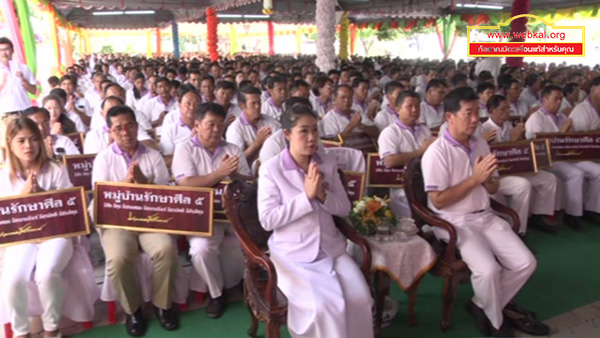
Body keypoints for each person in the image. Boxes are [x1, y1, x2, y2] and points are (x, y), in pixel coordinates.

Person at [422, 87, 547, 337]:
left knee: (526, 263)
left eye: (476, 112)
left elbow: (494, 186)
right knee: (488, 270)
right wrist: (474, 179)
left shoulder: (480, 143)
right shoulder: (436, 153)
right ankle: (496, 322)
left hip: (485, 215)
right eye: (467, 113)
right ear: (450, 117)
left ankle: (481, 305)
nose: (474, 119)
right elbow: (439, 201)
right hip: (455, 221)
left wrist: (488, 179)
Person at [257, 104, 374, 338]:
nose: (311, 138)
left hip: (331, 248)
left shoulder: (327, 163)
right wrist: (306, 198)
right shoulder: (272, 169)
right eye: (303, 131)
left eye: (315, 131)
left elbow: (343, 209)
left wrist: (322, 195)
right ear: (288, 134)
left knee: (360, 298)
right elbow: (268, 220)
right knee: (325, 307)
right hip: (294, 254)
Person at [92, 105, 178, 336]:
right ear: (110, 132)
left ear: (137, 127)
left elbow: (165, 196)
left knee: (166, 249)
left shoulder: (153, 155)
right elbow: (102, 199)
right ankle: (133, 311)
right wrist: (126, 182)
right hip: (118, 223)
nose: (125, 132)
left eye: (129, 125)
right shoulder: (103, 159)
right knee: (118, 259)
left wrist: (144, 182)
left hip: (150, 219)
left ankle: (163, 306)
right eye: (118, 128)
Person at [172, 103, 251, 318]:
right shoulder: (184, 149)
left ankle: (243, 284)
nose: (216, 129)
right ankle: (217, 294)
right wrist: (220, 173)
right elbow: (186, 184)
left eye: (220, 124)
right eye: (210, 124)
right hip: (202, 218)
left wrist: (235, 176)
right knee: (201, 249)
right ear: (197, 125)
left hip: (233, 215)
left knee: (249, 242)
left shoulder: (232, 149)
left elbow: (248, 182)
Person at [0, 117, 74, 338]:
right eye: (21, 140)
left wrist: (43, 196)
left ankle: (52, 329)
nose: (28, 146)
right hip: (22, 238)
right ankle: (21, 332)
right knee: (13, 278)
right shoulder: (4, 177)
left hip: (56, 234)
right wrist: (23, 197)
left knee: (47, 273)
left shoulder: (56, 169)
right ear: (10, 144)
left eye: (33, 139)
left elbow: (71, 209)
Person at [525, 85, 600, 229]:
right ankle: (573, 214)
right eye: (555, 99)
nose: (559, 102)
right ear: (545, 100)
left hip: (566, 156)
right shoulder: (536, 119)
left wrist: (569, 137)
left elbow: (569, 141)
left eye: (560, 99)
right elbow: (539, 148)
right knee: (576, 173)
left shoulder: (563, 117)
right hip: (548, 160)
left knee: (597, 172)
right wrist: (561, 133)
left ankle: (593, 209)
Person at [482, 95, 559, 234]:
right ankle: (518, 229)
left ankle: (539, 216)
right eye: (502, 109)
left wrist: (520, 139)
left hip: (515, 168)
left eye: (508, 108)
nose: (507, 112)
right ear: (492, 111)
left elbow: (520, 151)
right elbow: (491, 155)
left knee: (548, 179)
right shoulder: (484, 130)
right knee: (523, 185)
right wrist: (511, 141)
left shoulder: (509, 125)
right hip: (498, 175)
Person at [378, 90, 436, 217]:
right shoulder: (390, 132)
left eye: (417, 106)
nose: (414, 110)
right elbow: (390, 160)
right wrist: (420, 151)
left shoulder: (424, 129)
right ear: (398, 109)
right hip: (402, 187)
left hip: (426, 181)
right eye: (409, 106)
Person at [226, 86, 281, 164]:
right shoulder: (235, 129)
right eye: (253, 103)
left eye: (259, 102)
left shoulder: (270, 121)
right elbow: (236, 160)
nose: (257, 106)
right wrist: (258, 142)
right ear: (242, 105)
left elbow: (281, 145)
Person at [159, 85, 200, 165]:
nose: (192, 108)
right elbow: (166, 160)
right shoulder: (171, 129)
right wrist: (190, 144)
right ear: (180, 105)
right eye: (188, 104)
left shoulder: (207, 125)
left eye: (196, 104)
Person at [0, 37, 37, 115]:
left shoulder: (23, 68)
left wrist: (23, 80)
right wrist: (3, 83)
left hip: (25, 108)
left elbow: (34, 91)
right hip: (5, 110)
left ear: (12, 51)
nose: (4, 53)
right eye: (1, 50)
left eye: (6, 49)